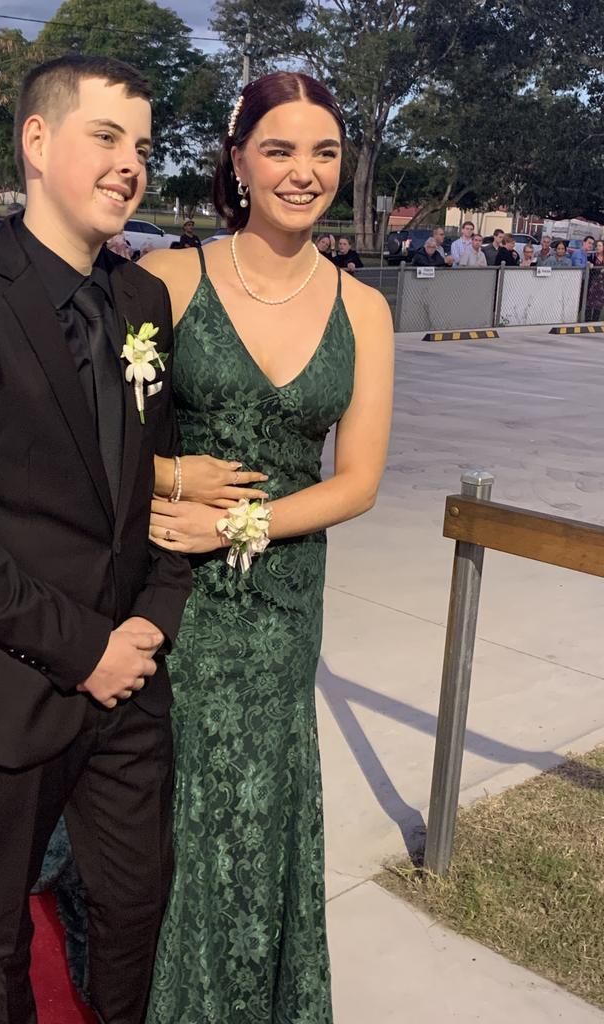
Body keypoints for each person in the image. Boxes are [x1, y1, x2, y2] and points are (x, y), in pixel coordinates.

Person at [0, 53, 192, 1024]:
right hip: (11, 682)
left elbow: (161, 482)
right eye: (107, 137)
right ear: (37, 139)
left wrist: (151, 622)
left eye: (141, 146)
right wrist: (83, 648)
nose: (129, 164)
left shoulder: (143, 303)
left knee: (138, 903)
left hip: (131, 680)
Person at [137, 70, 390, 1023]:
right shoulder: (168, 280)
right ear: (237, 160)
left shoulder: (362, 309)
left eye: (324, 152)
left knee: (260, 806)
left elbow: (358, 480)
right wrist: (174, 481)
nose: (303, 172)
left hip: (283, 602)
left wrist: (237, 522)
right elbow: (96, 441)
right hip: (175, 591)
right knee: (179, 810)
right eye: (279, 150)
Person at [585, 239, 604, 321]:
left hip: (602, 285)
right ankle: (587, 320)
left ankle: (595, 320)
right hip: (592, 283)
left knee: (599, 303)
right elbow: (587, 262)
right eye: (597, 246)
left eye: (600, 246)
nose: (598, 247)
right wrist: (589, 264)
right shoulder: (592, 256)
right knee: (589, 302)